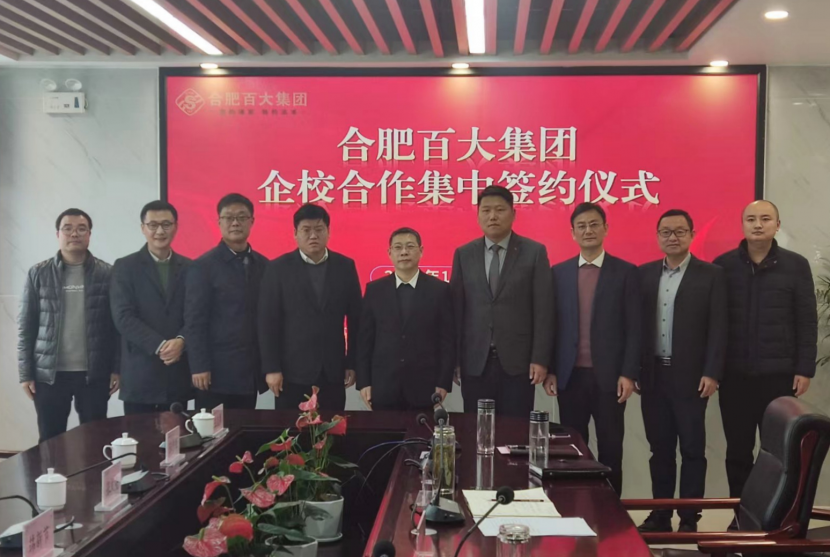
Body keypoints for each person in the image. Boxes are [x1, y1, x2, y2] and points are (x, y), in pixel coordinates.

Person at [714, 200, 817, 504]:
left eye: (765, 219)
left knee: (780, 452)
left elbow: (806, 320)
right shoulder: (722, 266)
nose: (758, 225)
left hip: (779, 376)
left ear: (777, 225)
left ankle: (776, 515)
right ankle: (741, 515)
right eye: (751, 219)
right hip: (734, 377)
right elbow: (715, 323)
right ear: (742, 225)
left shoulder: (796, 265)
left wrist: (804, 368)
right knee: (738, 451)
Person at [637, 209, 727, 533]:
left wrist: (712, 372)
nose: (672, 237)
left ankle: (689, 518)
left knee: (692, 449)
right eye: (666, 232)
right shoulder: (644, 275)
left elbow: (719, 327)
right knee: (659, 450)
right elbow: (635, 327)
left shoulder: (711, 275)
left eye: (679, 231)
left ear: (691, 234)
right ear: (657, 236)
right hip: (653, 376)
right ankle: (660, 514)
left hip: (691, 377)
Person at [551, 202, 640, 495]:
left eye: (593, 224)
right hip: (570, 377)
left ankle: (611, 509)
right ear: (572, 233)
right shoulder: (559, 273)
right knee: (572, 449)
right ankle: (574, 503)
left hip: (610, 378)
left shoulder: (625, 272)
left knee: (611, 448)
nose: (588, 230)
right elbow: (552, 325)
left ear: (605, 229)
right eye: (581, 226)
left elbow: (634, 327)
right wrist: (551, 369)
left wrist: (628, 373)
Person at [450, 185, 555, 418]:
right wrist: (455, 360)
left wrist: (540, 358)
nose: (493, 216)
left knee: (515, 431)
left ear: (513, 213)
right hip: (475, 362)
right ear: (478, 215)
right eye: (486, 210)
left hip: (519, 363)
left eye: (499, 210)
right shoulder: (464, 254)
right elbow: (457, 311)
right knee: (476, 429)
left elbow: (544, 310)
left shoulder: (534, 252)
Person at [18, 208, 120, 443]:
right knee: (50, 440)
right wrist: (25, 374)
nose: (75, 234)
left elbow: (116, 327)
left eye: (81, 229)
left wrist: (117, 368)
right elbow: (26, 326)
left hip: (94, 374)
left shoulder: (107, 273)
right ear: (58, 234)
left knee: (96, 440)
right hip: (49, 375)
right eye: (68, 228)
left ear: (89, 234)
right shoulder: (39, 273)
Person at [259, 204, 362, 412]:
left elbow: (356, 319)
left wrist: (352, 362)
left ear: (328, 232)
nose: (313, 235)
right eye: (306, 230)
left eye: (319, 229)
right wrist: (272, 368)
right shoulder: (277, 268)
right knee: (290, 430)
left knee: (333, 427)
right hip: (291, 372)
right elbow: (267, 321)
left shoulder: (345, 266)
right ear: (295, 233)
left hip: (332, 370)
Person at [357, 227, 455, 411]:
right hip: (383, 386)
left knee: (422, 431)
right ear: (389, 253)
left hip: (424, 386)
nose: (404, 252)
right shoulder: (374, 290)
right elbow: (364, 341)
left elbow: (447, 341)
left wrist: (443, 382)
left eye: (410, 246)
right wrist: (363, 382)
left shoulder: (439, 290)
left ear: (421, 250)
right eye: (398, 247)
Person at [185, 193, 267, 410]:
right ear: (219, 222)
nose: (235, 223)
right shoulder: (203, 267)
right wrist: (199, 366)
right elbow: (194, 321)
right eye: (229, 217)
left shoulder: (264, 265)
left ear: (252, 221)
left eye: (242, 217)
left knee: (245, 427)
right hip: (215, 372)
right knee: (212, 430)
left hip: (249, 371)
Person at [110, 200, 192, 415]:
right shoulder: (125, 267)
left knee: (178, 433)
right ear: (143, 228)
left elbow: (196, 314)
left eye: (166, 224)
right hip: (140, 373)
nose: (160, 231)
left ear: (176, 227)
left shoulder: (191, 267)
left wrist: (182, 340)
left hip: (177, 373)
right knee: (139, 434)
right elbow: (123, 317)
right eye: (153, 225)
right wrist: (160, 345)